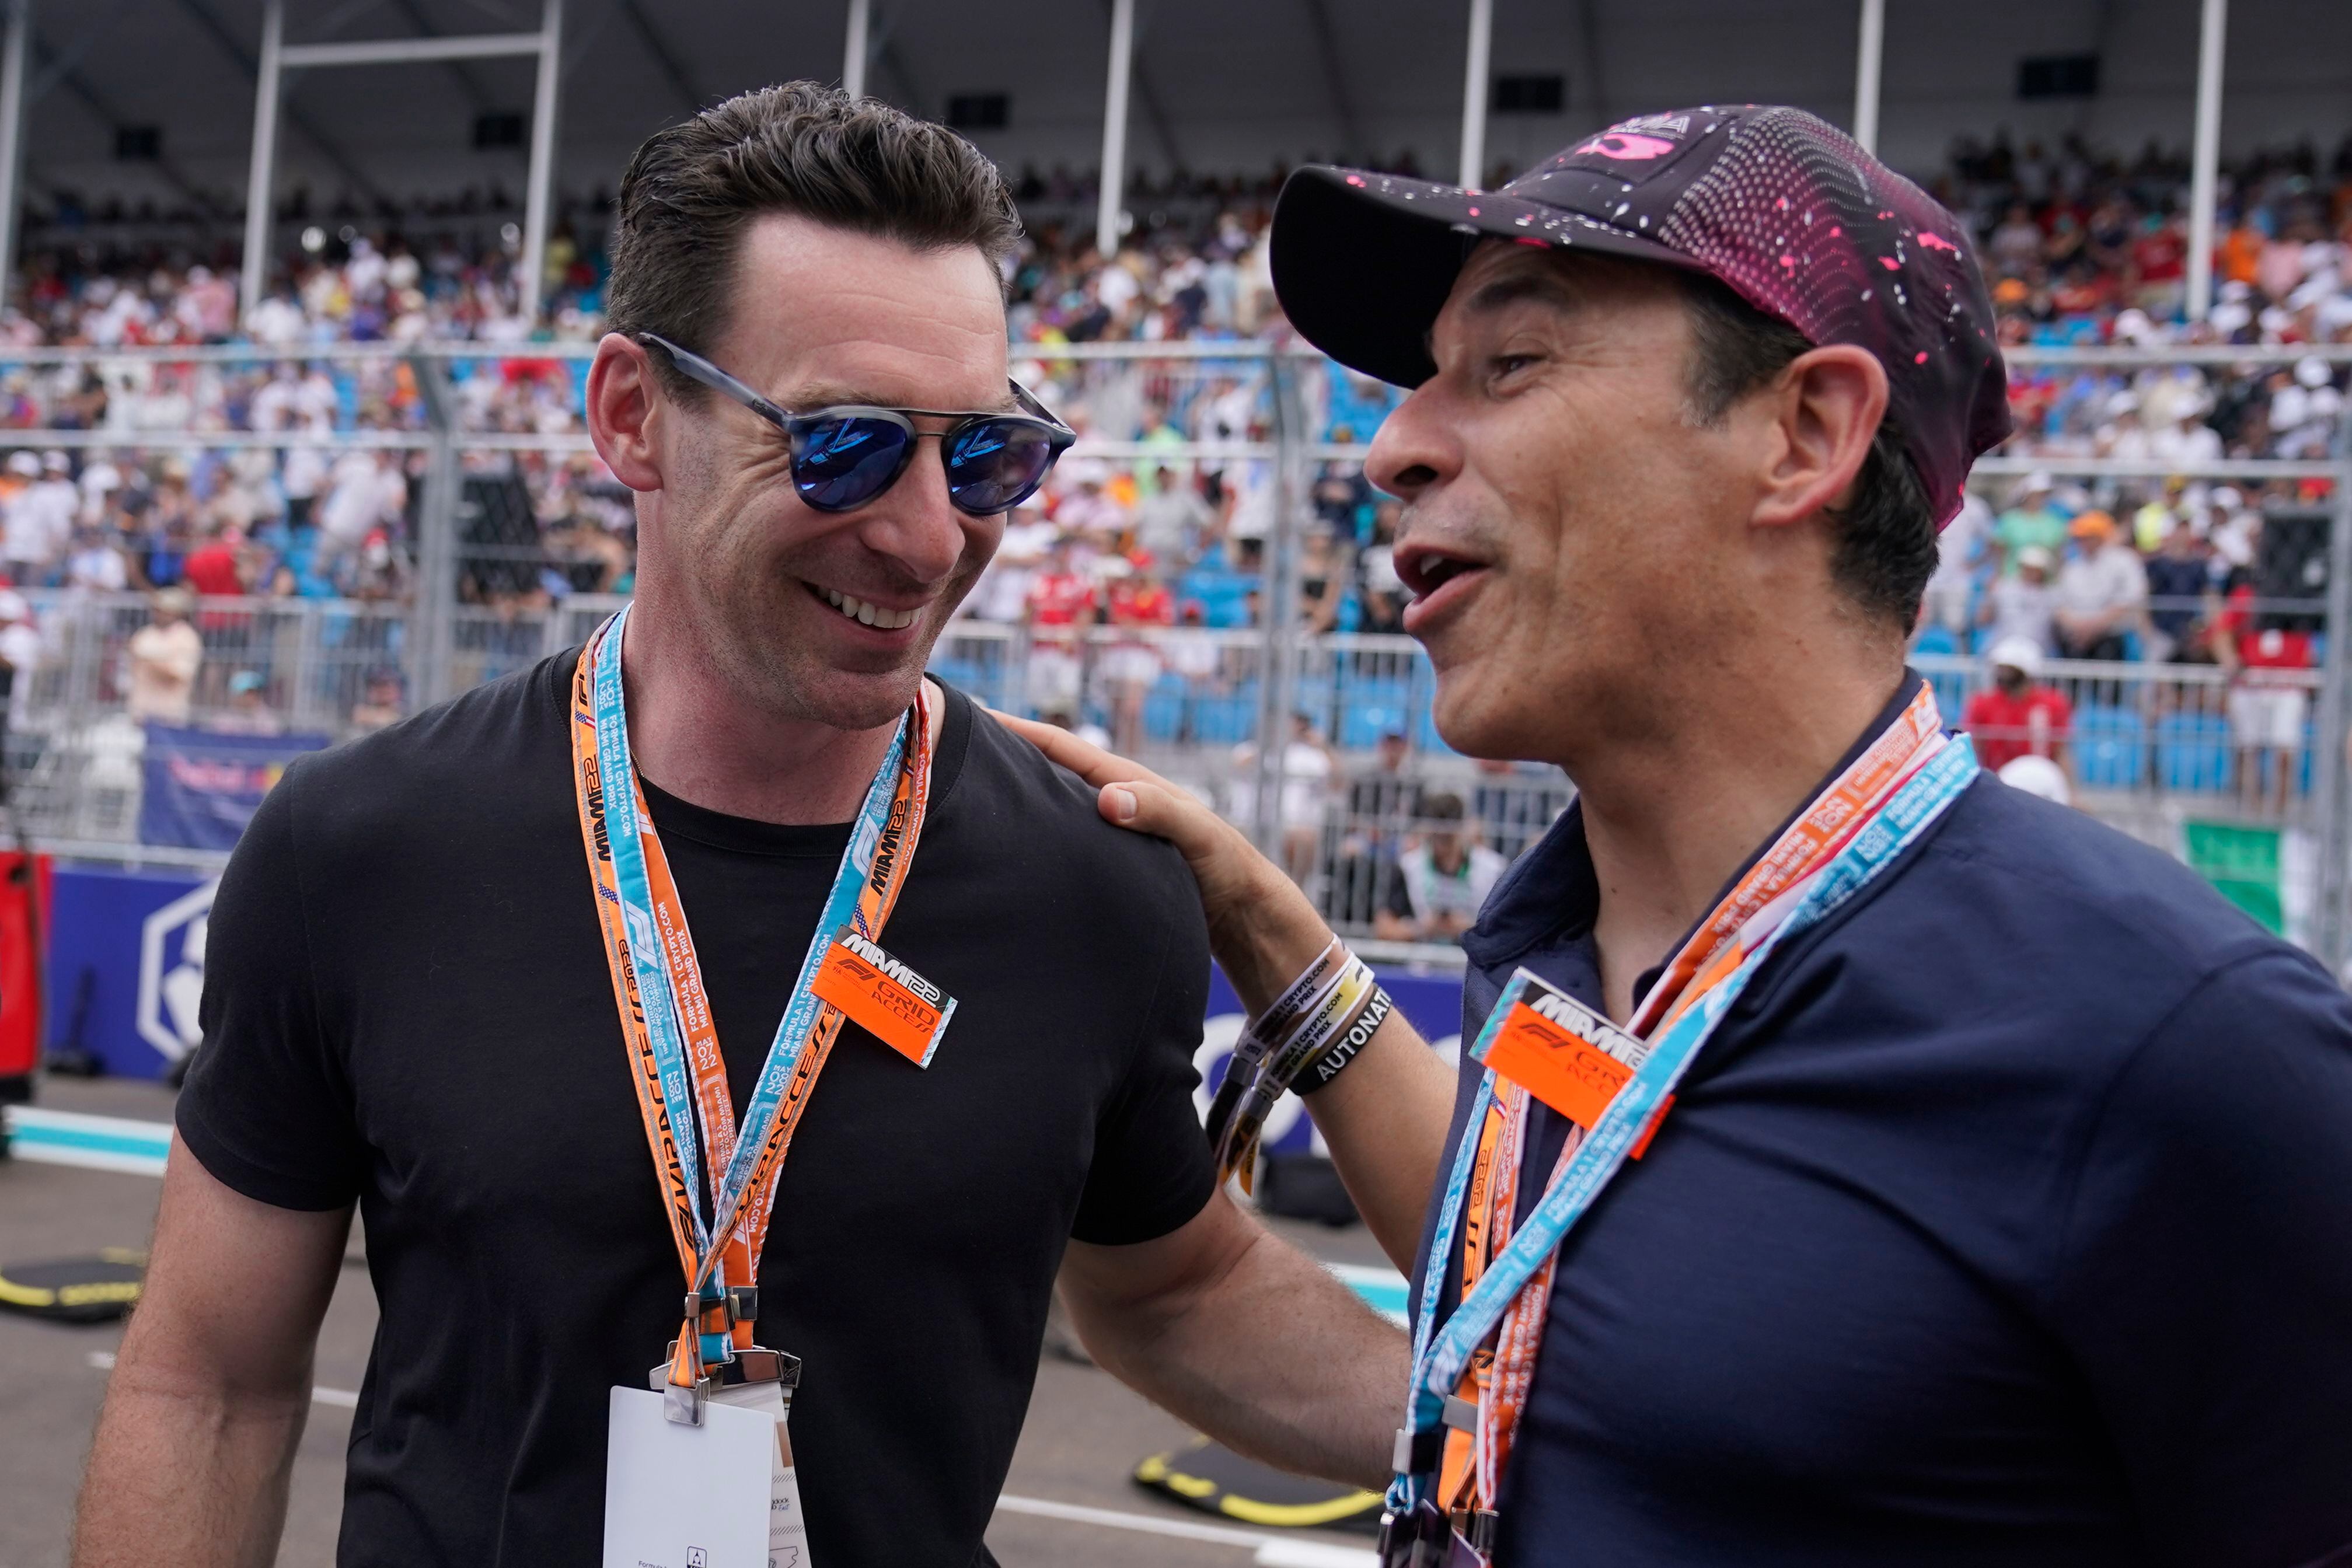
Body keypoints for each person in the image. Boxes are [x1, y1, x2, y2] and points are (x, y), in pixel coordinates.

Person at [74, 85, 1401, 1568]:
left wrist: (1528, 1427)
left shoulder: (1090, 879)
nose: (922, 534)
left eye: (983, 456)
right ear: (633, 417)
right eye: (840, 444)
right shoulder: (360, 847)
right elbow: (208, 1385)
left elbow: (1171, 1285)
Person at [1008, 104, 2352, 1565]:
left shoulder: (2183, 1051)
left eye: (1506, 363)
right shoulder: (1561, 951)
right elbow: (1560, 1342)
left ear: (1803, 434)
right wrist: (1253, 930)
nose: (1388, 442)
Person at [1376, 791, 1505, 945]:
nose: (1443, 843)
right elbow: (1383, 928)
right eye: (1438, 836)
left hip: (1476, 960)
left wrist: (1469, 928)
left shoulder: (1493, 868)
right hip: (1422, 959)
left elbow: (1507, 930)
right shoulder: (1409, 867)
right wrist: (1421, 928)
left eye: (1449, 837)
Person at [1960, 636, 2074, 781]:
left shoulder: (2053, 703)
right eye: (2000, 668)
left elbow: (2061, 751)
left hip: (2041, 779)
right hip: (1997, 780)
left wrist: (2070, 792)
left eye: (2009, 669)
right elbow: (1974, 748)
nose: (2001, 673)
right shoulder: (1982, 703)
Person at [2051, 509, 2145, 661]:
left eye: (2088, 537)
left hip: (2112, 637)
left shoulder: (2124, 561)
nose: (2083, 542)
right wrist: (2078, 627)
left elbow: (2130, 598)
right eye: (2080, 537)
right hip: (2074, 639)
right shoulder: (2072, 566)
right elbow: (2058, 602)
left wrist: (2094, 628)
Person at [123, 586, 202, 725]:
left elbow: (179, 674)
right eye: (157, 610)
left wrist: (150, 661)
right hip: (140, 712)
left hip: (169, 716)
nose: (159, 614)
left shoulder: (187, 638)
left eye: (165, 610)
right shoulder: (145, 634)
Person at [1976, 541, 2056, 652]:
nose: (2031, 573)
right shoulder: (2003, 588)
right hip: (2002, 647)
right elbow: (1982, 620)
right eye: (2028, 568)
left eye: (2035, 569)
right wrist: (1988, 595)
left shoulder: (2052, 594)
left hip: (2037, 650)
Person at [1992, 470, 2065, 567]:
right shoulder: (2009, 520)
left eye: (2044, 494)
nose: (2041, 498)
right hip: (2013, 578)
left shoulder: (2055, 522)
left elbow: (2058, 554)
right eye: (2037, 494)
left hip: (2046, 580)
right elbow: (2000, 553)